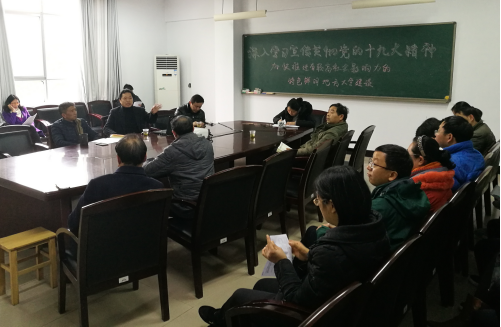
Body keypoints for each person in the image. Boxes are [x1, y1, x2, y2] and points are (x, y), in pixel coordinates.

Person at [198, 166, 390, 327]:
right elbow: (336, 268)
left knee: (240, 296)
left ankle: (219, 320)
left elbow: (296, 299)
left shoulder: (331, 252)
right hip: (339, 303)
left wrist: (281, 261)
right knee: (260, 285)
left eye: (318, 200)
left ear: (332, 205)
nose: (317, 204)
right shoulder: (375, 227)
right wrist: (309, 255)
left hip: (312, 316)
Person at [67, 134, 163, 235]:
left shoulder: (97, 185)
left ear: (118, 159)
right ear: (145, 157)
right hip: (144, 243)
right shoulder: (157, 187)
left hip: (103, 243)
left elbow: (73, 224)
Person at [143, 115, 214, 219]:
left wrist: (148, 160)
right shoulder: (207, 144)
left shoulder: (172, 152)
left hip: (184, 206)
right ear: (193, 128)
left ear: (173, 132)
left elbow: (147, 171)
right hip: (208, 200)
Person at [367, 144, 430, 251]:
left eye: (374, 164)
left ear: (392, 175)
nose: (368, 167)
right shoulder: (413, 191)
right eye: (370, 161)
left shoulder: (378, 207)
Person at [435, 116, 485, 191]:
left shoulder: (450, 164)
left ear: (449, 137)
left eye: (438, 131)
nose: (435, 134)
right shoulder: (476, 154)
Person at [408, 135, 456, 212]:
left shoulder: (417, 188)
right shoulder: (443, 173)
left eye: (408, 156)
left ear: (420, 160)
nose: (405, 159)